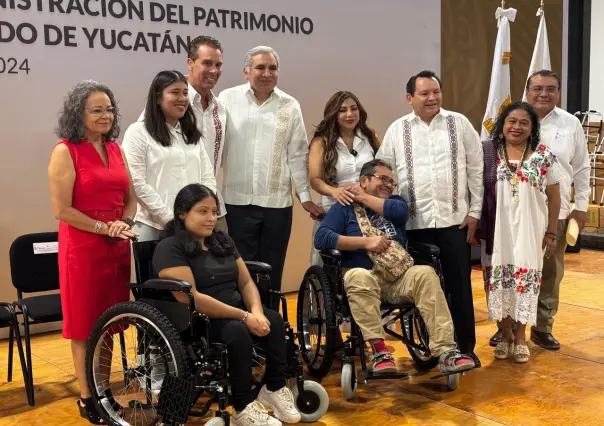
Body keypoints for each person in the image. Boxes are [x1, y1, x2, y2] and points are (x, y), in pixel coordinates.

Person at [152, 184, 301, 426]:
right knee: (236, 330)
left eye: (214, 212)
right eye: (203, 212)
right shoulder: (170, 247)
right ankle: (241, 407)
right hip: (198, 319)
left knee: (273, 319)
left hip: (236, 311)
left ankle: (273, 387)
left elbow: (245, 282)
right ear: (182, 213)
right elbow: (191, 298)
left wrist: (257, 312)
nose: (211, 218)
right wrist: (244, 316)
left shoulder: (221, 240)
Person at [314, 159, 475, 374]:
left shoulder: (395, 204)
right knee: (358, 276)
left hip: (398, 278)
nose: (389, 185)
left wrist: (362, 196)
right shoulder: (343, 209)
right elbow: (322, 238)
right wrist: (365, 242)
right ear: (364, 180)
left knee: (425, 273)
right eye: (383, 179)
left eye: (392, 181)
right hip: (365, 278)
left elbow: (399, 212)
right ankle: (380, 351)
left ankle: (446, 351)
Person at [376, 70, 483, 366]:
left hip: (455, 222)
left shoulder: (459, 124)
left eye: (436, 91)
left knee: (460, 286)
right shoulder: (397, 130)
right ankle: (429, 348)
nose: (432, 97)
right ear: (410, 98)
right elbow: (384, 175)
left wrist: (474, 212)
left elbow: (475, 169)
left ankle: (465, 347)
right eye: (424, 93)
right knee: (423, 291)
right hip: (414, 226)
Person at [48, 80, 138, 423]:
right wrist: (104, 227)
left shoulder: (115, 148)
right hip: (83, 247)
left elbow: (129, 195)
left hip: (116, 244)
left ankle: (104, 392)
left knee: (110, 323)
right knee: (85, 326)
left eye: (109, 109)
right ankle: (88, 398)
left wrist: (124, 222)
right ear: (78, 113)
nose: (105, 115)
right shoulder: (65, 151)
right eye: (96, 109)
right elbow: (62, 210)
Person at [218, 46, 323, 304]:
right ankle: (246, 331)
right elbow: (214, 147)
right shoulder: (226, 99)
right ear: (246, 72)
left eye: (272, 68)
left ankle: (271, 330)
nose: (267, 73)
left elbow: (297, 154)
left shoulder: (290, 105)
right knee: (241, 272)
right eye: (260, 68)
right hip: (237, 203)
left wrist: (305, 196)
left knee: (272, 271)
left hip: (277, 205)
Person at [494, 70, 587, 350]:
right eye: (537, 88)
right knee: (508, 268)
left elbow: (582, 168)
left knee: (549, 272)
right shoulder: (508, 124)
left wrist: (581, 207)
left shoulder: (571, 124)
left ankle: (542, 327)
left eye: (550, 89)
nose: (543, 94)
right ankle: (506, 326)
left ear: (559, 93)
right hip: (510, 217)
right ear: (527, 90)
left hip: (553, 214)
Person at [479, 102, 562, 362]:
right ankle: (504, 335)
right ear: (502, 124)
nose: (516, 127)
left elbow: (555, 196)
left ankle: (520, 337)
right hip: (498, 230)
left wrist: (551, 232)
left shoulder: (543, 155)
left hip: (530, 230)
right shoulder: (489, 154)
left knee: (525, 283)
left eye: (524, 123)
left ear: (532, 127)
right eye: (511, 121)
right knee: (501, 282)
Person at [122, 70, 217, 242]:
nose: (182, 98)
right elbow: (135, 181)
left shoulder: (191, 134)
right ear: (158, 98)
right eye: (175, 92)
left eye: (185, 93)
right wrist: (171, 219)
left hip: (192, 228)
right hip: (152, 227)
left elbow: (207, 177)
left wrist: (200, 214)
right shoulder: (138, 132)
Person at [308, 91, 380, 266]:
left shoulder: (370, 137)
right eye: (342, 110)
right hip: (334, 209)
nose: (349, 114)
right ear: (334, 114)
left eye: (353, 109)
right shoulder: (321, 142)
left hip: (367, 209)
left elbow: (382, 169)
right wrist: (334, 191)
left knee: (367, 261)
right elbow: (315, 179)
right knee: (326, 265)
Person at [186, 35, 229, 232]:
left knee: (225, 261)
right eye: (207, 63)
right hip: (181, 209)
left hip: (213, 207)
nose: (214, 70)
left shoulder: (220, 108)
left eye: (218, 65)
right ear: (190, 63)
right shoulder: (172, 101)